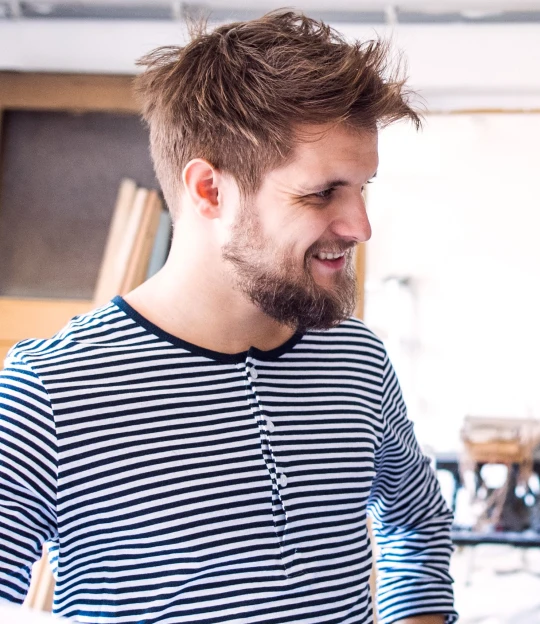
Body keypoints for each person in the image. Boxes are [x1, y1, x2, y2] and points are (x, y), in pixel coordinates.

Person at [0, 12, 455, 624]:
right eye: (323, 192)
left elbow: (417, 521)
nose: (359, 226)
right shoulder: (51, 392)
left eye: (362, 188)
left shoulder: (357, 361)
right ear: (211, 190)